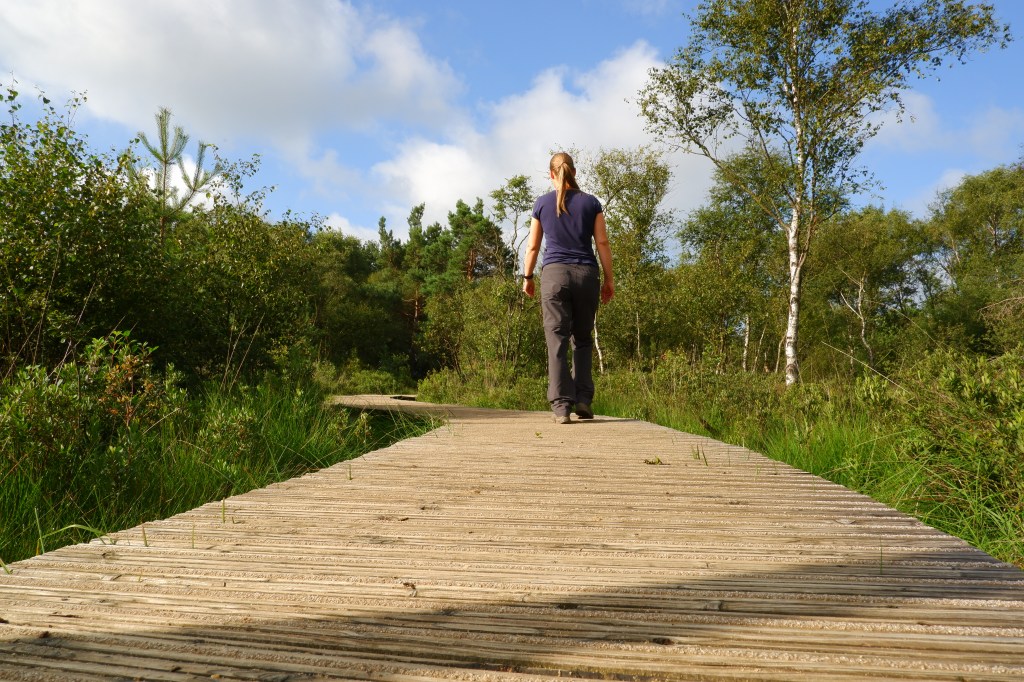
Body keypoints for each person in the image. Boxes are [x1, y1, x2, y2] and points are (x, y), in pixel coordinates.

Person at [522, 152, 614, 424]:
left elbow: (533, 246)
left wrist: (527, 277)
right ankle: (583, 399)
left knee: (557, 339)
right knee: (583, 338)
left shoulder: (542, 203)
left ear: (551, 174)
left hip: (554, 276)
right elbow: (603, 244)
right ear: (574, 171)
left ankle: (562, 406)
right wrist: (609, 280)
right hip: (586, 275)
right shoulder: (591, 203)